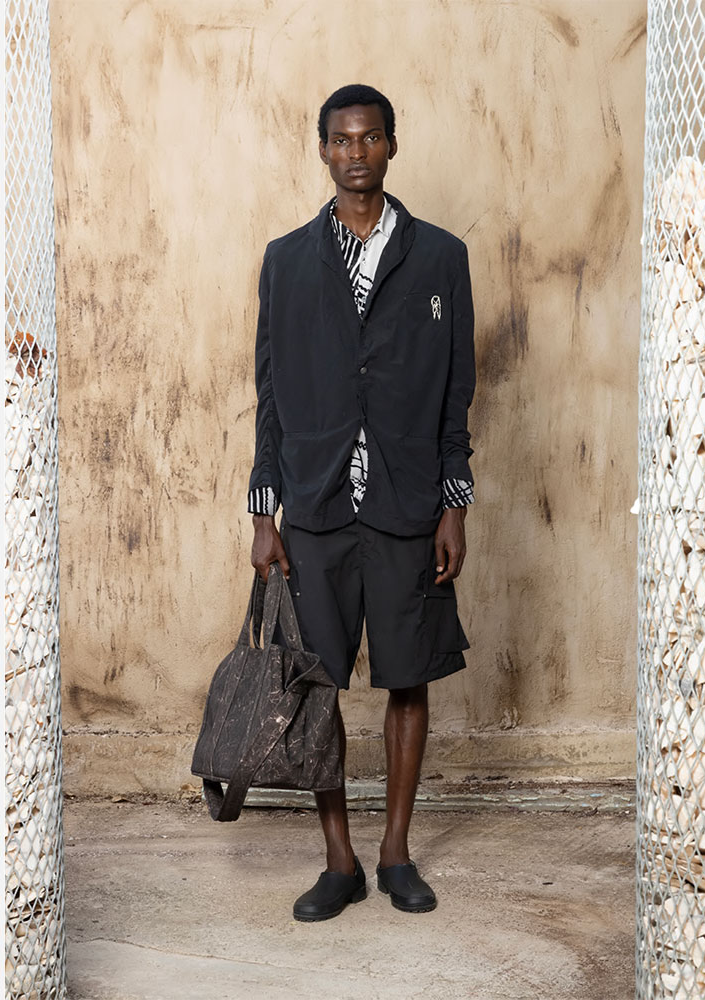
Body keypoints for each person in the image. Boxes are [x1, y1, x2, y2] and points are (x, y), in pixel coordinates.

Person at [247, 83, 476, 921]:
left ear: (391, 145)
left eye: (370, 137)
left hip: (407, 501)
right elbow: (269, 394)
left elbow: (457, 390)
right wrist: (263, 513)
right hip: (315, 506)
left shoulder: (441, 256)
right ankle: (339, 860)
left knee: (408, 678)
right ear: (322, 150)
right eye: (341, 140)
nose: (355, 152)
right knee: (318, 686)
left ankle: (395, 853)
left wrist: (454, 503)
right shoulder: (286, 260)